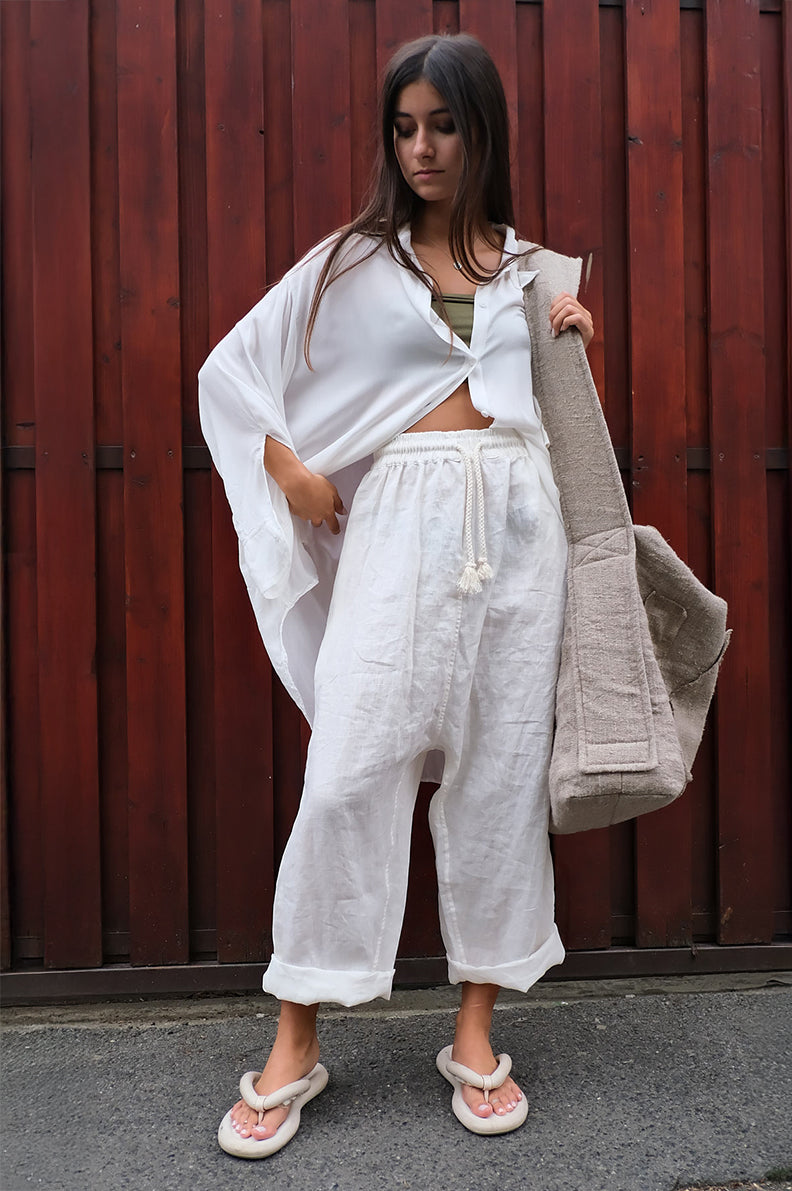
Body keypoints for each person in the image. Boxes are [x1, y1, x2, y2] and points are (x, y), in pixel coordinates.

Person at [199, 32, 593, 1156]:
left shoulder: (532, 270)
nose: (421, 148)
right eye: (404, 127)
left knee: (499, 774)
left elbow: (553, 420)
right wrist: (292, 472)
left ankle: (473, 1034)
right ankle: (297, 1035)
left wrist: (572, 339)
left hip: (520, 534)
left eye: (444, 125)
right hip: (399, 527)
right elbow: (233, 375)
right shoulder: (352, 265)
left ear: (483, 132)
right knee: (344, 772)